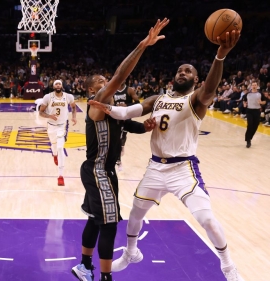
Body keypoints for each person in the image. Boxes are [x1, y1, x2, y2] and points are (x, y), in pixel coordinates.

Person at [89, 30, 244, 281]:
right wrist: (104, 107)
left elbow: (210, 89)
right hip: (155, 168)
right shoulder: (158, 99)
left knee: (207, 219)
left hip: (183, 169)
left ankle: (228, 265)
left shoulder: (196, 100)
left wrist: (220, 56)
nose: (182, 73)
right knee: (136, 214)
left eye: (188, 71)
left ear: (195, 79)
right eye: (180, 70)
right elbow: (126, 112)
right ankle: (131, 253)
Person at [70, 18, 169, 281]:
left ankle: (83, 266)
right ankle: (105, 277)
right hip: (97, 171)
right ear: (94, 91)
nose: (109, 84)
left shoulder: (112, 112)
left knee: (94, 218)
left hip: (104, 172)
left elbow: (125, 125)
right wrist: (142, 45)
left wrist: (145, 128)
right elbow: (120, 76)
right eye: (102, 82)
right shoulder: (96, 104)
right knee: (110, 223)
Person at [39, 80, 77, 186]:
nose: (58, 85)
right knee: (54, 145)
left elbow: (74, 107)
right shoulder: (48, 97)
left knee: (61, 148)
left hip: (62, 126)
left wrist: (74, 117)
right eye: (56, 84)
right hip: (51, 125)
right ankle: (54, 154)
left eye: (59, 83)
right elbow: (41, 112)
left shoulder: (68, 96)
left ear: (62, 86)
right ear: (53, 86)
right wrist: (50, 116)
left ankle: (60, 176)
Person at [113, 80, 140, 170]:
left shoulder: (130, 90)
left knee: (122, 137)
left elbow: (137, 103)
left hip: (126, 117)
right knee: (116, 138)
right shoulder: (112, 89)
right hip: (115, 116)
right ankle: (118, 160)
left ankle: (122, 147)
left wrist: (127, 105)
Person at [243, 82, 265, 147]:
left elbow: (265, 101)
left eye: (255, 85)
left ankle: (249, 137)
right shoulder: (248, 94)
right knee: (250, 125)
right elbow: (244, 99)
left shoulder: (260, 93)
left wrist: (261, 102)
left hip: (257, 111)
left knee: (255, 126)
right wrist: (244, 103)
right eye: (253, 85)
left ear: (257, 86)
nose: (254, 86)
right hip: (249, 110)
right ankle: (248, 140)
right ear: (251, 86)